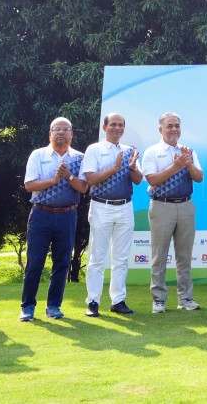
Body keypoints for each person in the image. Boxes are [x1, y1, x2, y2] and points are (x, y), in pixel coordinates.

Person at [20, 117, 88, 321]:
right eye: (56, 129)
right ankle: (27, 307)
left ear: (71, 134)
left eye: (65, 129)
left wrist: (68, 176)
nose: (61, 133)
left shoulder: (80, 158)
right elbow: (29, 185)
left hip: (67, 214)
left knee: (62, 262)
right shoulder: (38, 155)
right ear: (50, 134)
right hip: (41, 213)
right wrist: (54, 180)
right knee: (35, 262)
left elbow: (83, 187)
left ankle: (53, 306)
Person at [80, 113, 142, 317]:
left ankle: (118, 300)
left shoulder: (130, 150)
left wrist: (131, 168)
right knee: (97, 258)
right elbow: (90, 179)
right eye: (113, 124)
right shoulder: (94, 149)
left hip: (125, 206)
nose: (117, 128)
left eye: (121, 125)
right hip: (101, 206)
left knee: (121, 258)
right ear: (105, 127)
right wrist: (114, 168)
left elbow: (138, 180)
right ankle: (93, 301)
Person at [142, 112, 204, 314]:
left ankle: (185, 298)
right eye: (170, 126)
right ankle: (159, 299)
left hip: (185, 205)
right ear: (161, 129)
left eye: (177, 125)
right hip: (162, 206)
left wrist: (188, 163)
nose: (174, 129)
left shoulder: (188, 151)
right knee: (159, 256)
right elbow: (152, 179)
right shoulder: (152, 152)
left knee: (184, 256)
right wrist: (175, 166)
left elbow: (199, 178)